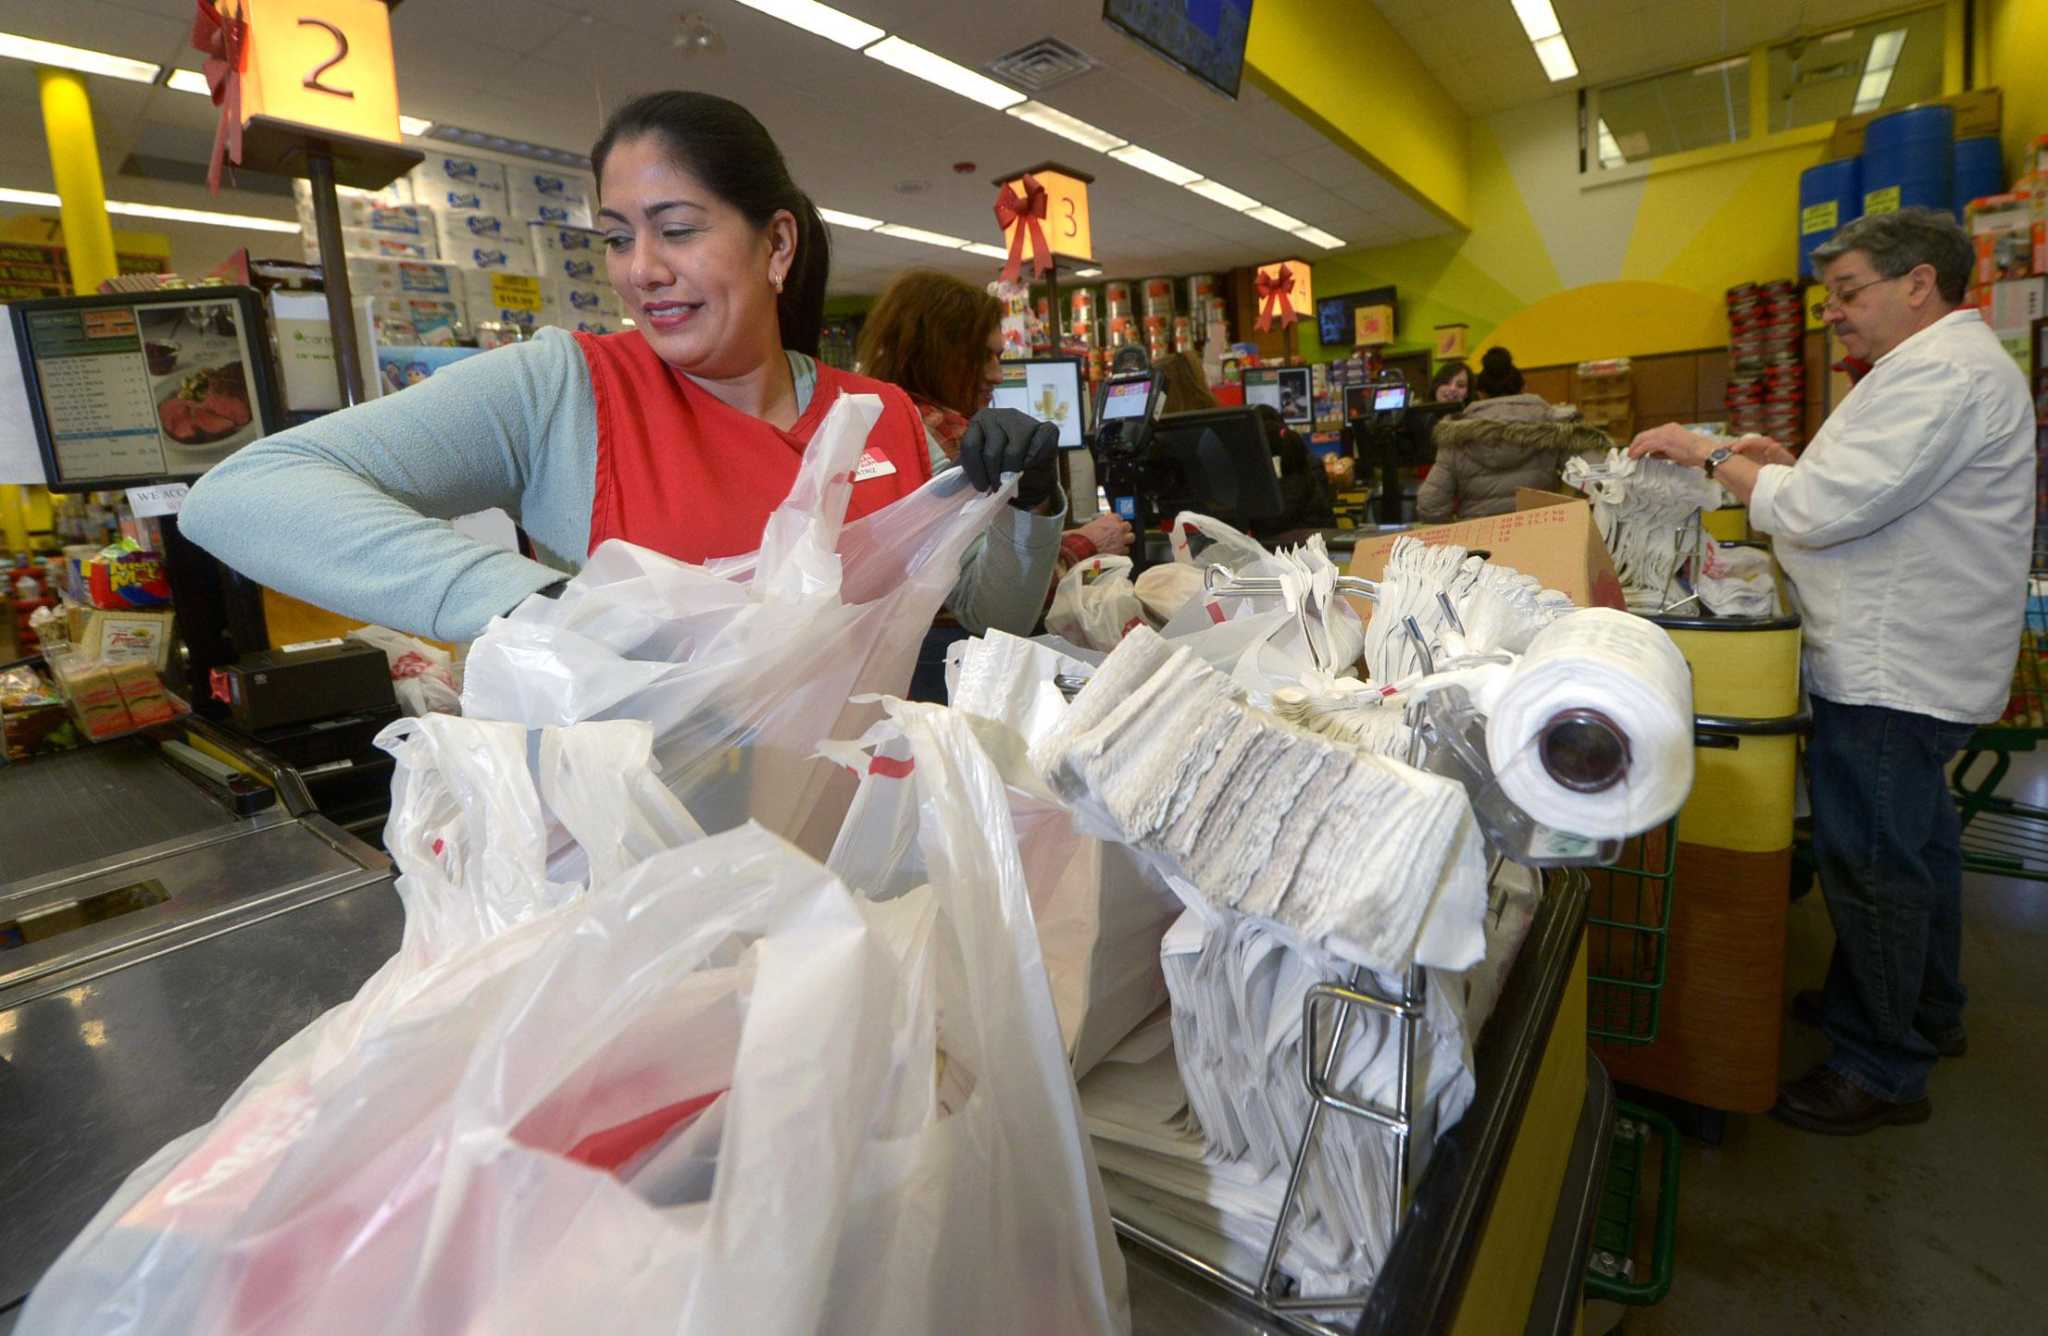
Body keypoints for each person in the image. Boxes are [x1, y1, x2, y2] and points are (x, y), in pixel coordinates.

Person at [179, 92, 1062, 654]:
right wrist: (543, 609)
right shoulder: (560, 390)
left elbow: (992, 621)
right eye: (616, 238)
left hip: (874, 847)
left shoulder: (882, 413)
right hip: (656, 874)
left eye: (676, 230)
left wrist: (1032, 508)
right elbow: (246, 492)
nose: (639, 269)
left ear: (777, 244)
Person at [1630, 207, 2035, 1136]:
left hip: (1897, 667)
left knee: (1874, 866)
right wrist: (1786, 464)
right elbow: (1867, 489)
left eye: (1850, 293)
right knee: (1918, 847)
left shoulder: (1940, 372)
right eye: (1830, 299)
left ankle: (1881, 1066)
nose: (1834, 316)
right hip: (1922, 657)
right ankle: (1924, 1008)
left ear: (1918, 284)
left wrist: (1714, 454)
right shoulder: (1931, 372)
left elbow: (1821, 512)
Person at [855, 269, 1130, 698]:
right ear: (940, 354)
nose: (998, 375)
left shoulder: (876, 425)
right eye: (984, 357)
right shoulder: (947, 441)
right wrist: (1083, 543)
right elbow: (990, 603)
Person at [1415, 347, 1602, 523]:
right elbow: (1600, 480)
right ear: (1522, 388)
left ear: (1480, 393)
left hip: (1480, 548)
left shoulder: (1456, 434)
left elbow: (1429, 505)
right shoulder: (1552, 425)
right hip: (1541, 537)